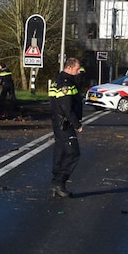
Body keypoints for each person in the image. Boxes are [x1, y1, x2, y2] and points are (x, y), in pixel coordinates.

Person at [50, 57, 84, 198]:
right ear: (69, 68)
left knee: (60, 153)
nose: (78, 73)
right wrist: (77, 124)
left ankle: (56, 185)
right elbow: (66, 107)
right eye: (76, 70)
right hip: (65, 124)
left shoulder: (58, 81)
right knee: (73, 153)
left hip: (58, 124)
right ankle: (59, 182)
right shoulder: (65, 84)